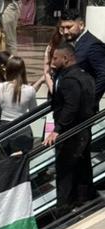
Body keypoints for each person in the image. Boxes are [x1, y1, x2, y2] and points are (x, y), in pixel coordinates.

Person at [43, 41, 98, 215]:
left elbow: (71, 107)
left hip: (71, 132)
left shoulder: (70, 80)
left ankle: (64, 207)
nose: (53, 60)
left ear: (66, 58)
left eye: (56, 57)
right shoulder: (84, 75)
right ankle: (84, 199)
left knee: (65, 169)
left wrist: (57, 129)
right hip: (83, 130)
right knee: (81, 165)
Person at [0, 55, 37, 159]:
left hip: (4, 131)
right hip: (23, 130)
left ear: (7, 70)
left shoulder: (0, 88)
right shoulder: (30, 90)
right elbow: (34, 113)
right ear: (23, 71)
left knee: (1, 166)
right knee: (21, 165)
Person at [59, 9, 105, 103]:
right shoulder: (71, 43)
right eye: (63, 28)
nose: (65, 31)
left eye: (69, 27)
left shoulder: (92, 45)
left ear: (81, 25)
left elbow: (103, 75)